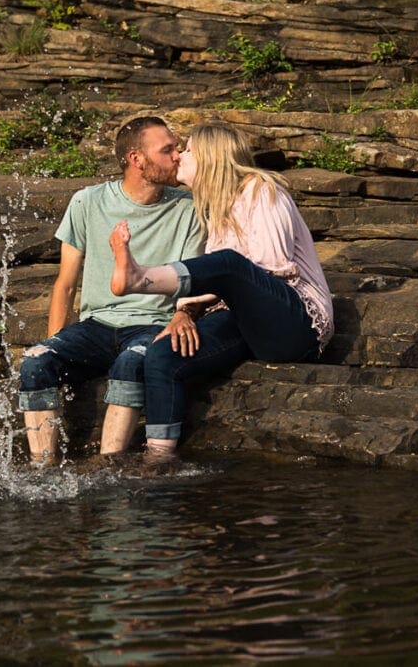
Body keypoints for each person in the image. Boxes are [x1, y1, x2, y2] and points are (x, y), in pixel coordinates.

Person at [107, 122, 335, 456]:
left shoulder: (261, 189)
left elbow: (273, 266)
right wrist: (184, 312)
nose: (180, 156)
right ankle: (158, 456)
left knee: (229, 263)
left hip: (294, 325)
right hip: (245, 321)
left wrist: (220, 280)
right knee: (163, 353)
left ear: (211, 158)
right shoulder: (216, 208)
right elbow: (220, 278)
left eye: (187, 150)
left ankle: (140, 279)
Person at [18, 116, 205, 466]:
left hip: (152, 325)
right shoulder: (87, 202)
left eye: (177, 148)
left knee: (131, 363)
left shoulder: (189, 209)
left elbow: (192, 279)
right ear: (136, 159)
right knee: (34, 362)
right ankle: (41, 469)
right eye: (167, 150)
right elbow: (66, 284)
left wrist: (184, 314)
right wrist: (60, 350)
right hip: (96, 326)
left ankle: (107, 467)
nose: (178, 155)